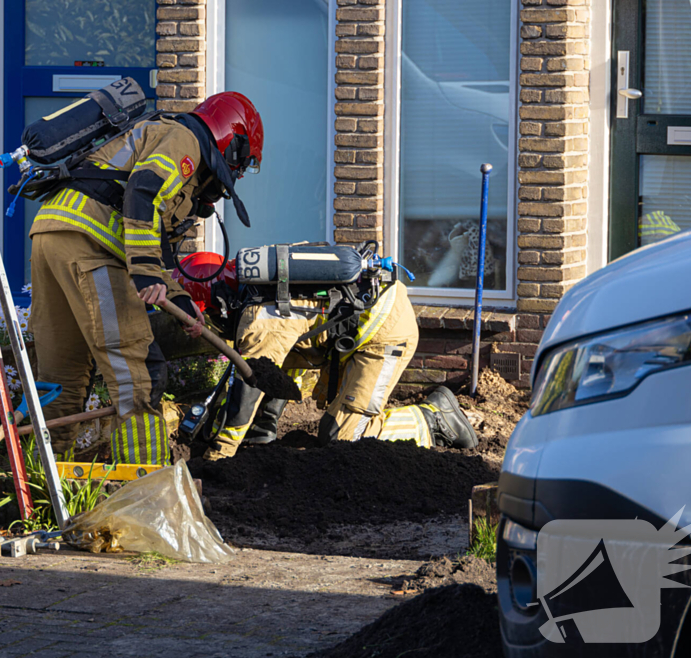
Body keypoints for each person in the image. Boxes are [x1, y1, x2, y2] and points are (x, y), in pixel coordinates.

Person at [28, 93, 263, 465]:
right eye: (242, 165)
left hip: (53, 233)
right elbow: (144, 190)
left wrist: (184, 304)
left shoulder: (157, 136)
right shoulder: (185, 140)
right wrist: (144, 271)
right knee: (138, 374)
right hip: (95, 243)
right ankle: (147, 485)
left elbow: (155, 247)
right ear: (231, 143)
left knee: (61, 377)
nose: (232, 177)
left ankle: (43, 485)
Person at [174, 251, 478, 459]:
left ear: (219, 304)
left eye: (208, 315)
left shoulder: (261, 320)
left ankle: (432, 419)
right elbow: (275, 367)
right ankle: (261, 431)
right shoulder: (257, 279)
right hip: (354, 328)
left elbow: (246, 392)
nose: (211, 323)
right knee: (274, 362)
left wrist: (220, 455)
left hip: (385, 332)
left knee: (340, 437)